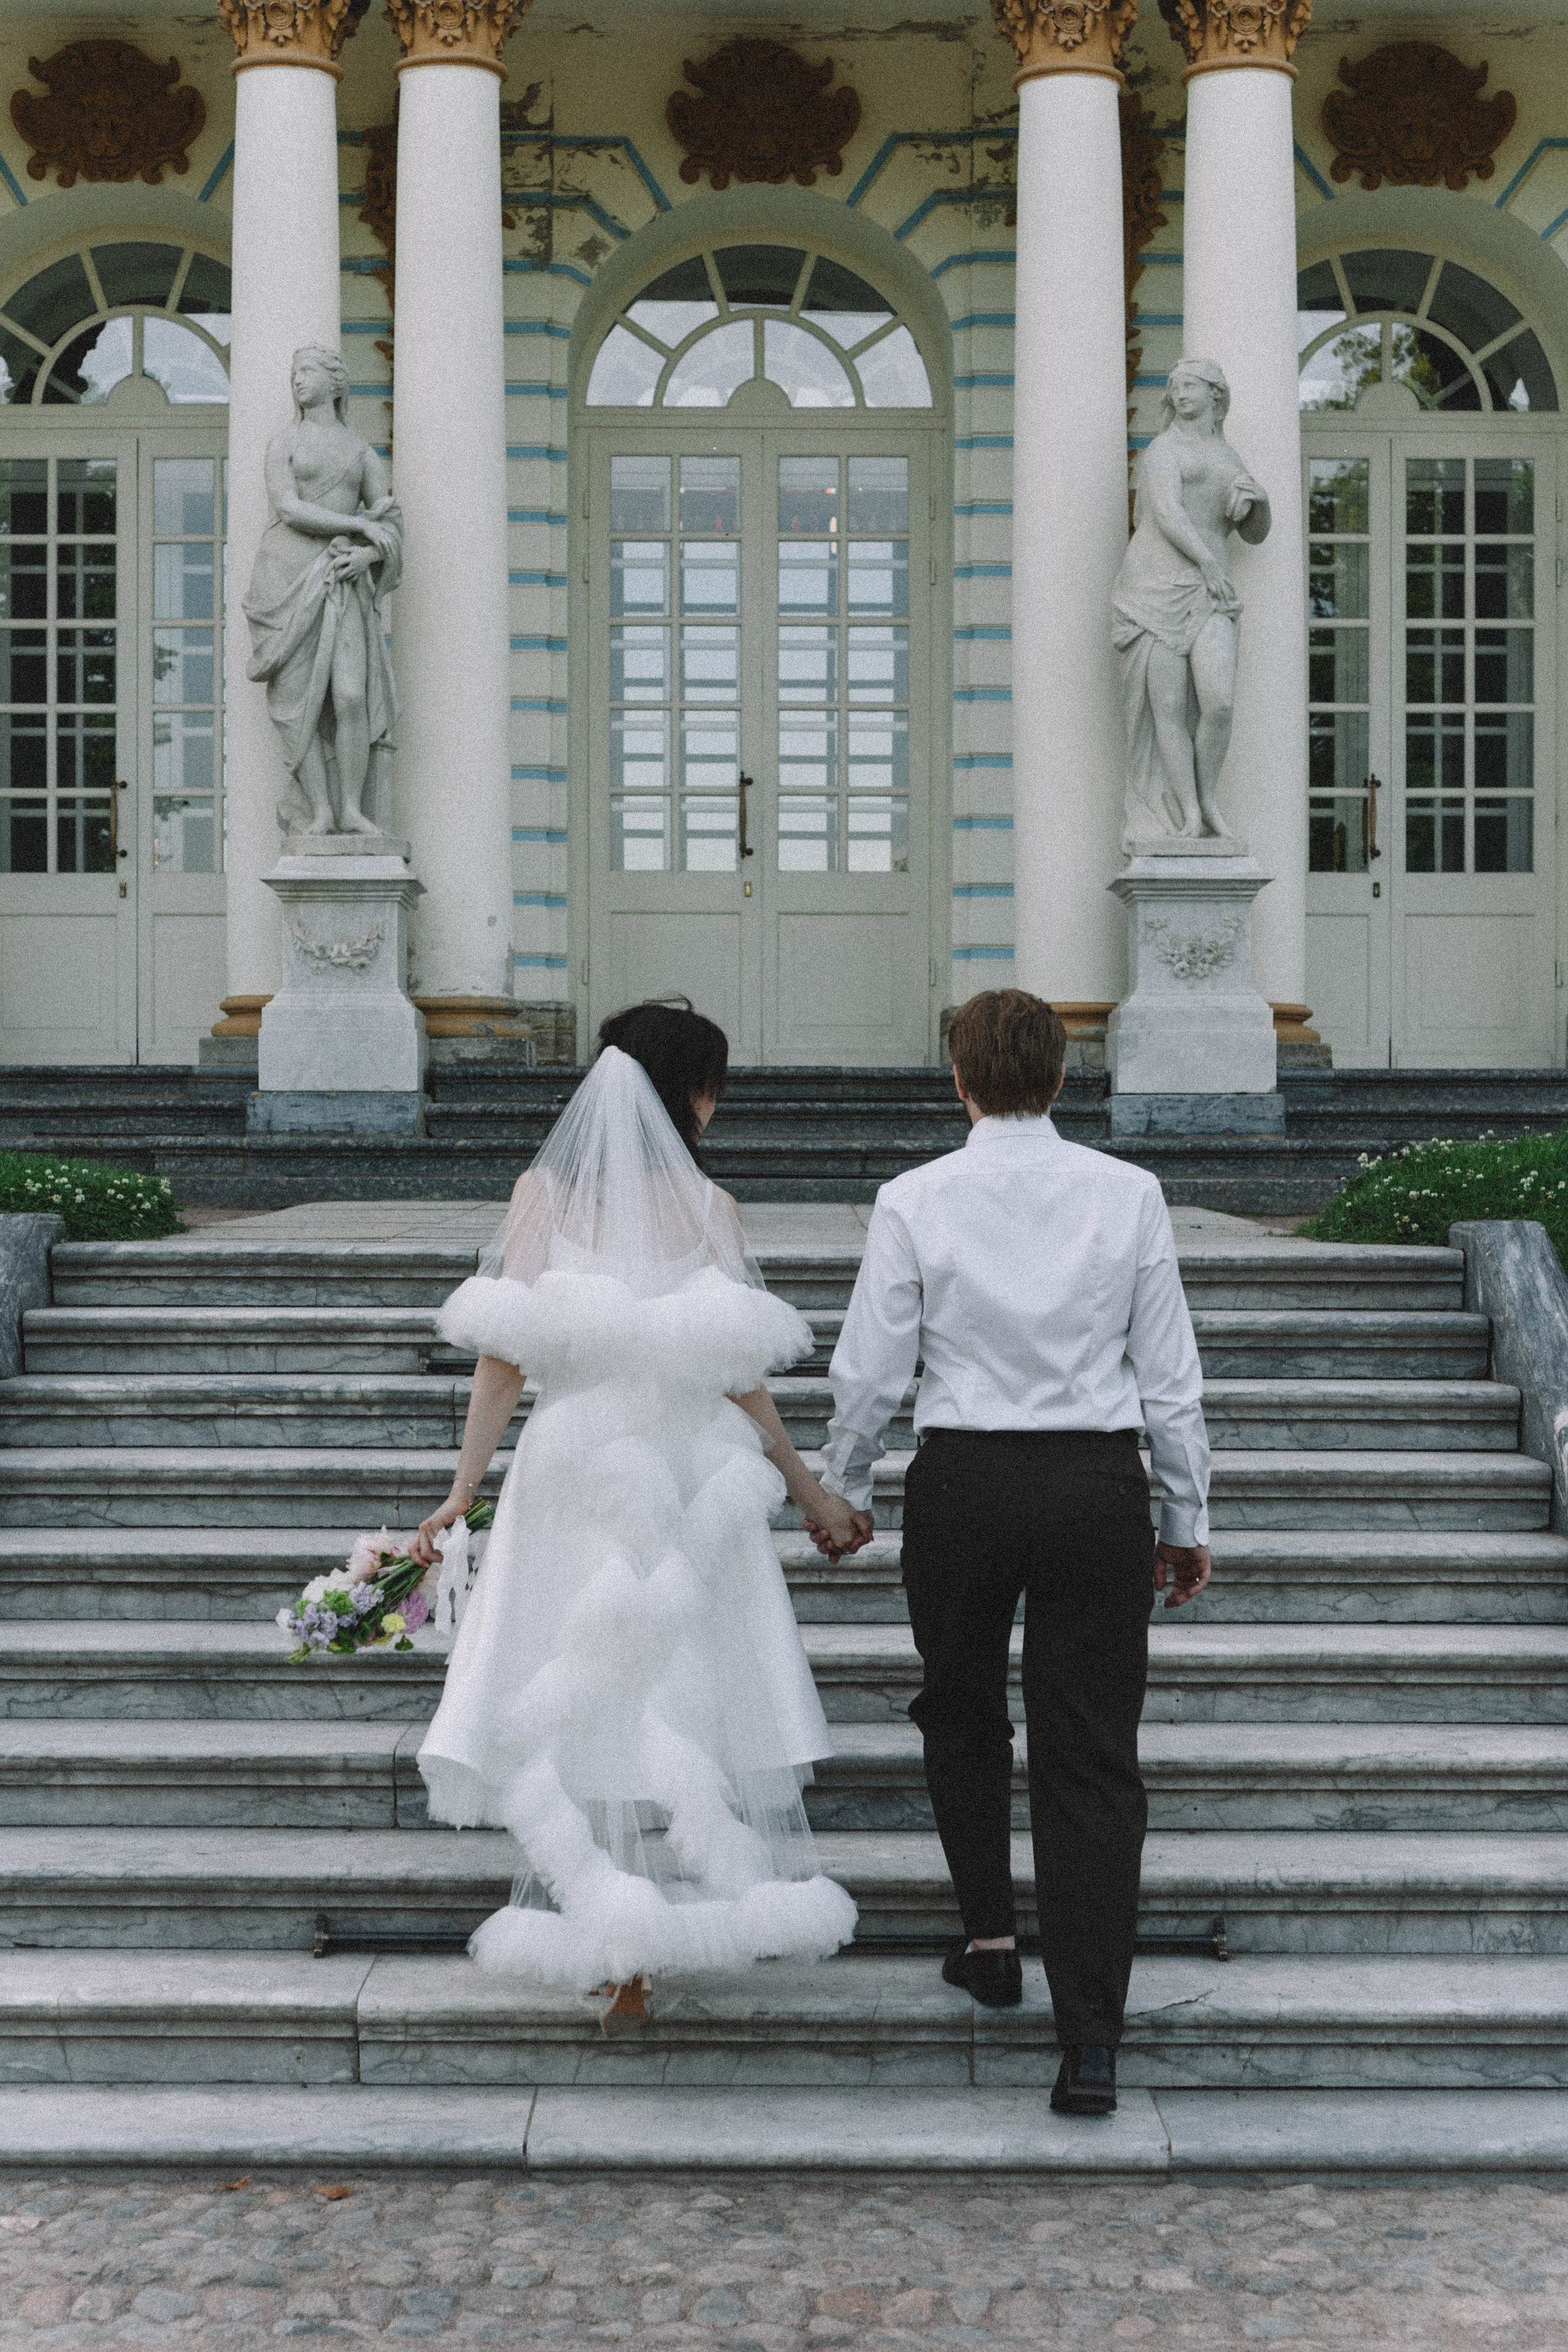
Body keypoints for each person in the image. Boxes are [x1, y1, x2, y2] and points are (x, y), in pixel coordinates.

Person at [409, 1000, 864, 2018]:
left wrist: (462, 1489)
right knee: (680, 1687)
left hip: (575, 1472)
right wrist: (802, 1483)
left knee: (581, 1684)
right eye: (711, 1086)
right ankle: (659, 1924)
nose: (714, 1106)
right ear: (687, 1091)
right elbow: (741, 1376)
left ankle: (622, 1943)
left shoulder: (541, 1196)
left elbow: (504, 1354)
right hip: (689, 1473)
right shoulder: (712, 1211)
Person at [819, 989, 1212, 2116]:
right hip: (1094, 1482)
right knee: (1090, 1754)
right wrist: (1183, 1519)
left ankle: (991, 1940)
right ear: (1062, 1076)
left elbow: (871, 1368)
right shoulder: (1129, 1195)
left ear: (960, 1080)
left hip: (967, 1481)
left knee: (960, 1709)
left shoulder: (914, 1199)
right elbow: (1169, 1378)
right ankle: (1090, 2034)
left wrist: (845, 1486)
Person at [243, 344, 402, 838]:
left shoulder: (359, 451)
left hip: (341, 577)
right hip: (285, 578)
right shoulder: (283, 443)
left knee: (351, 695)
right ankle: (321, 812)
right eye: (294, 373)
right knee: (297, 703)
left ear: (337, 383)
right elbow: (288, 507)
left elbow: (390, 521)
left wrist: (369, 555)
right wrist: (357, 526)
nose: (298, 380)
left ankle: (352, 809)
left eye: (308, 371)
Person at [1111, 355, 1270, 848]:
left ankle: (1208, 799)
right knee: (1170, 708)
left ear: (1214, 396)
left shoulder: (1230, 457)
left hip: (1209, 588)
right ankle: (1189, 816)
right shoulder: (1163, 449)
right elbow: (1166, 514)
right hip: (1156, 584)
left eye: (1189, 386)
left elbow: (1255, 534)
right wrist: (1208, 565)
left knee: (1219, 701)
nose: (1179, 394)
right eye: (1174, 386)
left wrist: (1260, 501)